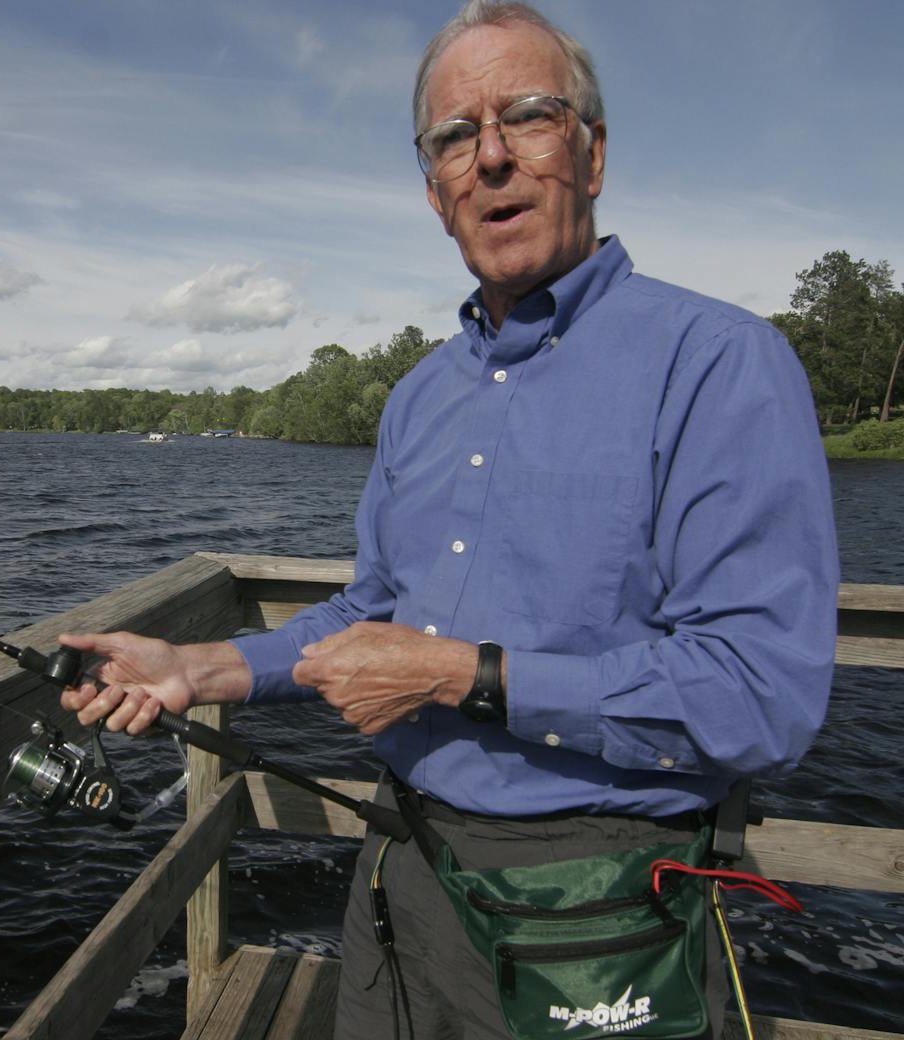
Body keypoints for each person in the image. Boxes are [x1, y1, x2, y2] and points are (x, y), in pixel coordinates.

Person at [60, 1, 839, 1037]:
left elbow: (760, 692)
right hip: (398, 876)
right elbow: (369, 611)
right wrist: (194, 670)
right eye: (454, 136)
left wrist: (455, 674)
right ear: (433, 192)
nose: (492, 158)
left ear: (591, 153)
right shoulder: (416, 397)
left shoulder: (718, 362)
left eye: (526, 115)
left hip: (595, 901)